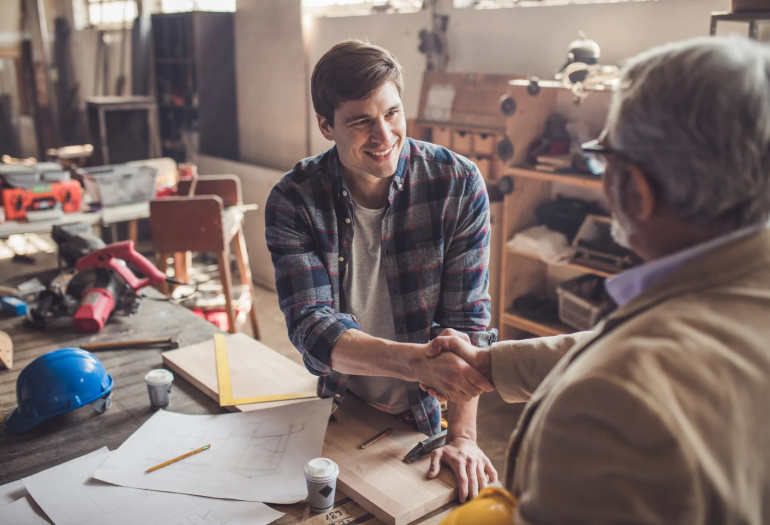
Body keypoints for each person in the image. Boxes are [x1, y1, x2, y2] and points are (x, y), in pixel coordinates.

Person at [426, 36, 770, 522]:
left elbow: (627, 367)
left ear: (636, 189)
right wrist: (490, 363)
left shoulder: (608, 405)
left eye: (604, 156)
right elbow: (629, 345)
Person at [265, 40, 498, 501]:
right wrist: (416, 362)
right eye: (360, 121)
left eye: (392, 113)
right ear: (326, 125)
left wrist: (463, 437)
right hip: (341, 403)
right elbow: (312, 326)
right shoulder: (294, 200)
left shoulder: (457, 183)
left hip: (426, 414)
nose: (383, 134)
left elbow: (467, 320)